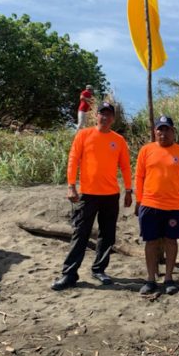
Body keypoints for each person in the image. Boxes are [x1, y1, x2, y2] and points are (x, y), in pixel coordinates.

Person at [51, 102, 132, 291]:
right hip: (87, 194)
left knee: (107, 235)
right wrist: (71, 186)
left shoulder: (118, 140)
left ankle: (99, 269)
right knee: (80, 234)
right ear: (96, 116)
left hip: (111, 195)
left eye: (109, 115)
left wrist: (129, 190)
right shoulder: (84, 135)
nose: (105, 117)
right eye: (102, 114)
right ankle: (69, 274)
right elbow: (73, 159)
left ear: (113, 118)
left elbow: (126, 166)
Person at [135, 115, 179, 295]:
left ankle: (168, 278)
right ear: (155, 131)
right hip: (150, 204)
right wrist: (138, 200)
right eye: (160, 129)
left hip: (173, 206)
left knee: (171, 241)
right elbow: (139, 177)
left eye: (167, 129)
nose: (163, 133)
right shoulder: (146, 150)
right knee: (150, 242)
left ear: (173, 131)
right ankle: (151, 279)